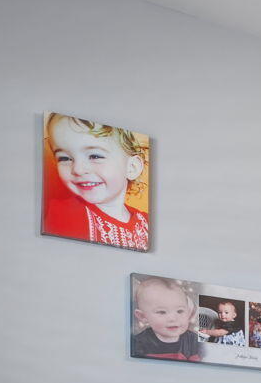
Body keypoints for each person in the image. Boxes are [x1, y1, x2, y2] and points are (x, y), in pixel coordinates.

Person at [44, 115, 150, 250]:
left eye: (94, 156)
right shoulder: (63, 213)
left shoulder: (147, 223)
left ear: (132, 168)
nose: (78, 169)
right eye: (65, 158)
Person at [131, 276, 202, 360]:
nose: (173, 318)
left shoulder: (193, 341)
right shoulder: (139, 343)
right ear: (143, 316)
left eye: (180, 311)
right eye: (162, 312)